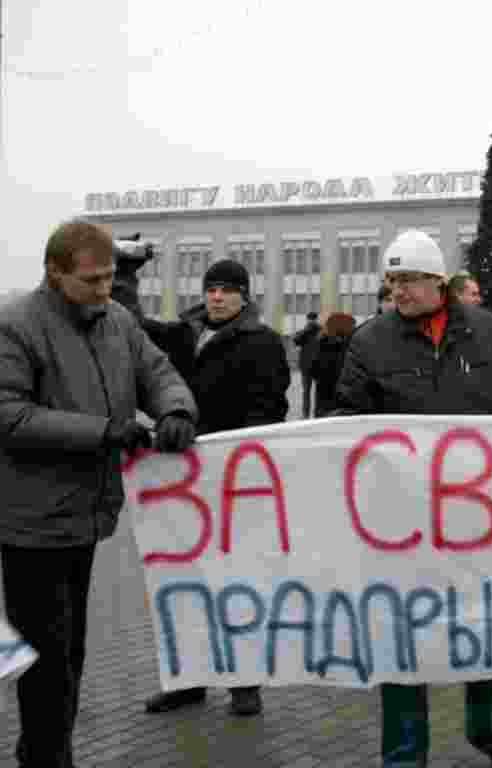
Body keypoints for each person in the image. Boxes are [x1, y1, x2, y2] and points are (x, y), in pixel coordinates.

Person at [333, 229, 492, 768]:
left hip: (475, 514)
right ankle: (404, 755)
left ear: (440, 281)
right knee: (401, 634)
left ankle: (486, 727)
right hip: (401, 520)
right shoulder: (370, 341)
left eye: (410, 279)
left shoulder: (487, 332)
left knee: (482, 623)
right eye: (392, 280)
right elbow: (349, 413)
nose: (399, 290)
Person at [0, 219, 198, 768]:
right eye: (91, 280)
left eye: (110, 277)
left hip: (86, 517)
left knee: (70, 652)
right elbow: (8, 414)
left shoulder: (117, 321)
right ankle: (46, 756)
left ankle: (46, 752)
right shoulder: (15, 325)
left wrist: (176, 410)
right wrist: (103, 432)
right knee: (48, 660)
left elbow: (157, 371)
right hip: (31, 523)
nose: (105, 289)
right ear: (54, 272)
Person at [137, 258, 291, 717]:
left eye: (227, 290)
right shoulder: (183, 335)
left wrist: (231, 454)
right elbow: (129, 328)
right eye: (211, 289)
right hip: (182, 480)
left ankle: (245, 683)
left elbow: (269, 409)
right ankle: (188, 680)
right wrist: (125, 274)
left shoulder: (263, 342)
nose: (217, 297)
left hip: (235, 481)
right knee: (182, 581)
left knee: (237, 581)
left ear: (244, 295)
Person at [311, 311, 355, 417]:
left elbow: (313, 370)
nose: (354, 329)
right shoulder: (345, 346)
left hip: (323, 402)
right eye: (352, 326)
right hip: (337, 403)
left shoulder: (320, 342)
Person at [293, 311, 322, 419]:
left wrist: (306, 329)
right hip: (317, 365)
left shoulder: (312, 331)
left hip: (309, 366)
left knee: (307, 391)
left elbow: (296, 340)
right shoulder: (319, 330)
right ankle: (316, 414)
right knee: (317, 391)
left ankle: (306, 415)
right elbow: (296, 340)